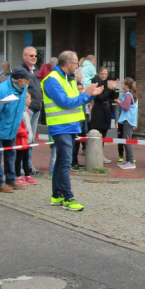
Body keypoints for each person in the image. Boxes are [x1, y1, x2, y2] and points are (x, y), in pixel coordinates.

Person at [42, 50, 103, 211]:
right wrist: (86, 95)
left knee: (61, 162)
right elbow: (65, 102)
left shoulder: (68, 78)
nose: (78, 67)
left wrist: (91, 95)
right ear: (68, 64)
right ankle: (68, 198)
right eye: (76, 64)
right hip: (60, 126)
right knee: (65, 163)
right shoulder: (52, 80)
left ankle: (57, 195)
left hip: (69, 126)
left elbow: (76, 101)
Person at [0, 66, 31, 193]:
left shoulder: (23, 88)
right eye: (27, 79)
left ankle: (11, 179)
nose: (29, 82)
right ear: (19, 80)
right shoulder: (1, 90)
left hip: (12, 129)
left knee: (11, 154)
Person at [89, 66, 119, 163]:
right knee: (98, 134)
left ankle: (100, 154)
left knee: (104, 134)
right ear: (99, 74)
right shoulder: (96, 83)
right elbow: (100, 97)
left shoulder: (107, 83)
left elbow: (112, 98)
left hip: (106, 110)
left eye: (105, 74)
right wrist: (109, 89)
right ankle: (96, 155)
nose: (104, 75)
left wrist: (113, 88)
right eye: (102, 73)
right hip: (99, 112)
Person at [21, 46, 43, 172]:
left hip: (36, 108)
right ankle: (21, 166)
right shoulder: (21, 71)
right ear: (24, 56)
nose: (34, 58)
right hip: (27, 109)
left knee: (31, 139)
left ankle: (28, 165)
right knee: (23, 138)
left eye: (35, 56)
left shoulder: (35, 71)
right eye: (31, 55)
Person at [14, 93, 37, 185]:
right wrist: (23, 132)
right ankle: (18, 175)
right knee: (19, 157)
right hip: (20, 138)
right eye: (28, 99)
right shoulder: (18, 111)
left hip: (26, 138)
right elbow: (18, 124)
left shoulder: (27, 111)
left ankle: (27, 175)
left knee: (26, 157)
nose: (30, 101)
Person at [116, 77, 138, 169]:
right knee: (126, 139)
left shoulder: (128, 95)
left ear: (126, 85)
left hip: (128, 120)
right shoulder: (130, 94)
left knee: (127, 140)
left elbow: (126, 108)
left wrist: (119, 102)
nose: (121, 85)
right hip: (129, 120)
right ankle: (128, 160)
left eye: (122, 83)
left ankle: (131, 161)